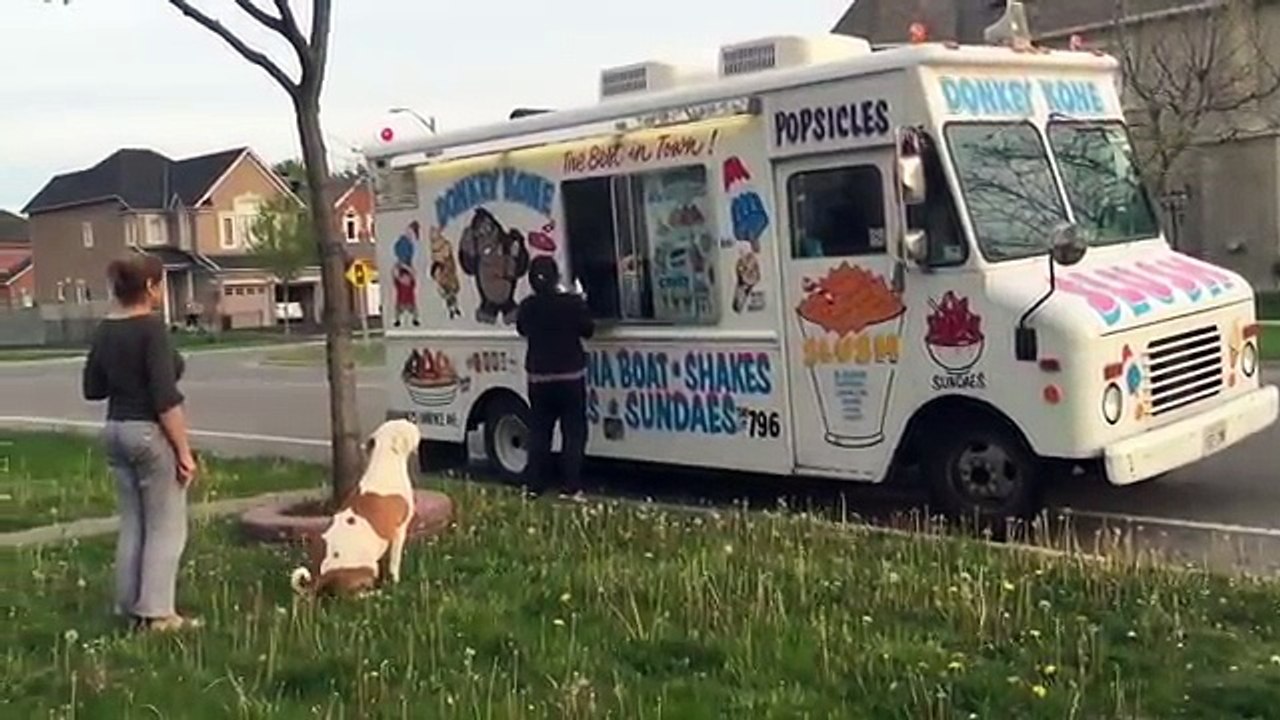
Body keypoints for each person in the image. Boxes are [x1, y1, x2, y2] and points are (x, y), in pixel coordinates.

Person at [82, 255, 200, 633]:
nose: (162, 291)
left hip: (116, 429)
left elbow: (92, 388)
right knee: (166, 526)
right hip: (148, 432)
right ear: (150, 287)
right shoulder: (151, 329)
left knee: (134, 523)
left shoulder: (105, 330)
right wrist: (183, 452)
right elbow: (166, 397)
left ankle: (129, 605)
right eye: (160, 284)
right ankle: (158, 614)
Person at [516, 256, 595, 499]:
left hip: (539, 378)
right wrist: (582, 301)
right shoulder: (571, 303)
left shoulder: (527, 306)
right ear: (557, 277)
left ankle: (534, 487)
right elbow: (588, 330)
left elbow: (521, 329)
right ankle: (570, 487)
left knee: (540, 432)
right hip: (570, 377)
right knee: (574, 432)